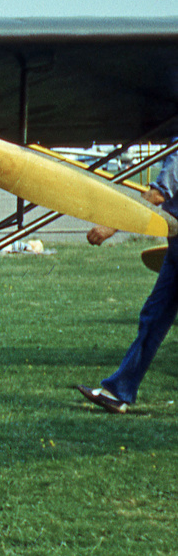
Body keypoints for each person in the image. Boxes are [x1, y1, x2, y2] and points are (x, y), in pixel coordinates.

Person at [78, 151, 178, 413]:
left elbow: (158, 195)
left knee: (153, 318)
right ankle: (119, 391)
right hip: (175, 249)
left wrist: (112, 226)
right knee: (152, 318)